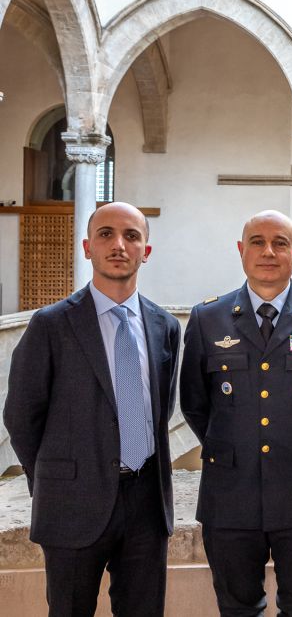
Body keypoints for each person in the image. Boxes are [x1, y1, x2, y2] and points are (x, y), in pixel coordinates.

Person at [4, 202, 180, 616]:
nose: (118, 245)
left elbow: (162, 409)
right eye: (105, 234)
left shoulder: (165, 326)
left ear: (145, 252)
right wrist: (53, 481)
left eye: (131, 236)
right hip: (72, 503)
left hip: (146, 505)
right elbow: (22, 416)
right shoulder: (50, 325)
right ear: (87, 247)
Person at [180, 209, 292, 616]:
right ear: (241, 250)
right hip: (230, 493)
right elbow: (195, 404)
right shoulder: (208, 318)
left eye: (280, 243)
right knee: (237, 608)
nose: (268, 252)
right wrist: (236, 446)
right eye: (257, 242)